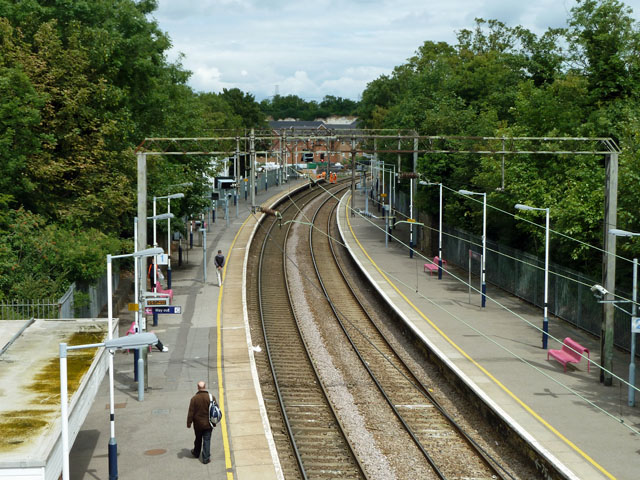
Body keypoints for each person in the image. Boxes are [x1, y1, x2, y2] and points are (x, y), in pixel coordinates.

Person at [187, 381, 214, 464]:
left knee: (198, 438)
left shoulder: (194, 399)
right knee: (207, 440)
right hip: (208, 423)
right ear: (205, 386)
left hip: (198, 424)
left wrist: (189, 423)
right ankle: (206, 458)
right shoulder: (211, 397)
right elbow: (215, 409)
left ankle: (196, 452)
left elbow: (191, 412)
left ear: (198, 387)